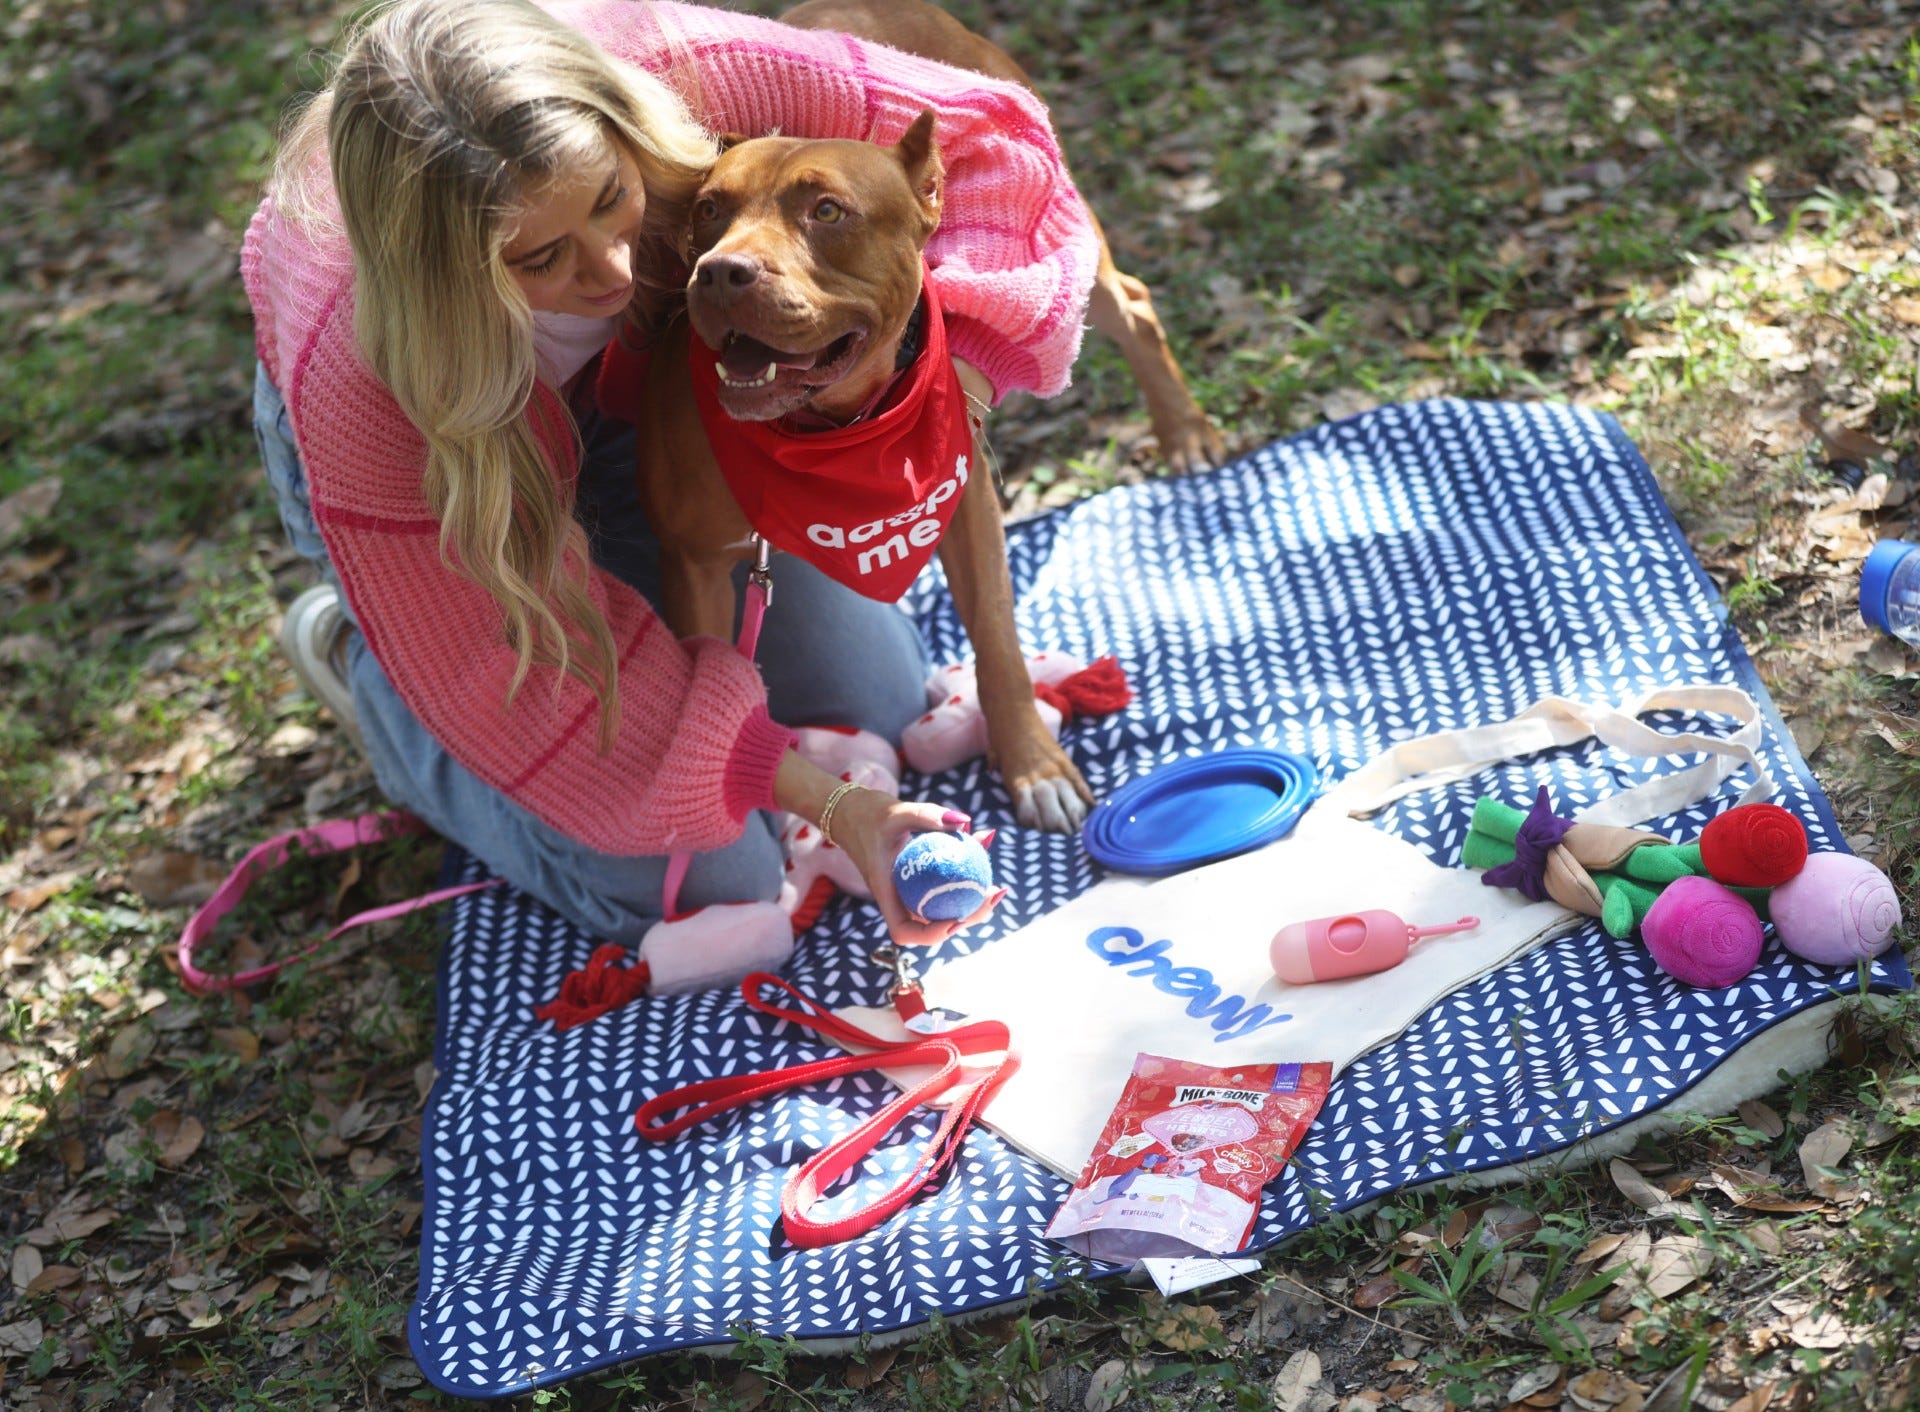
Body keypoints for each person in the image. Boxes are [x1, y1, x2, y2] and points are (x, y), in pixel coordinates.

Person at [243, 0, 1099, 950]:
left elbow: (997, 138)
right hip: (464, 456)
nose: (617, 273)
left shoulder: (687, 62)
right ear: (455, 275)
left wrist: (958, 377)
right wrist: (832, 804)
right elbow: (531, 691)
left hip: (652, 395)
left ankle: (617, 564)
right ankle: (379, 684)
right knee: (711, 876)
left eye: (616, 198)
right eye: (542, 256)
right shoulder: (366, 387)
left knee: (882, 702)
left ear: (626, 121)